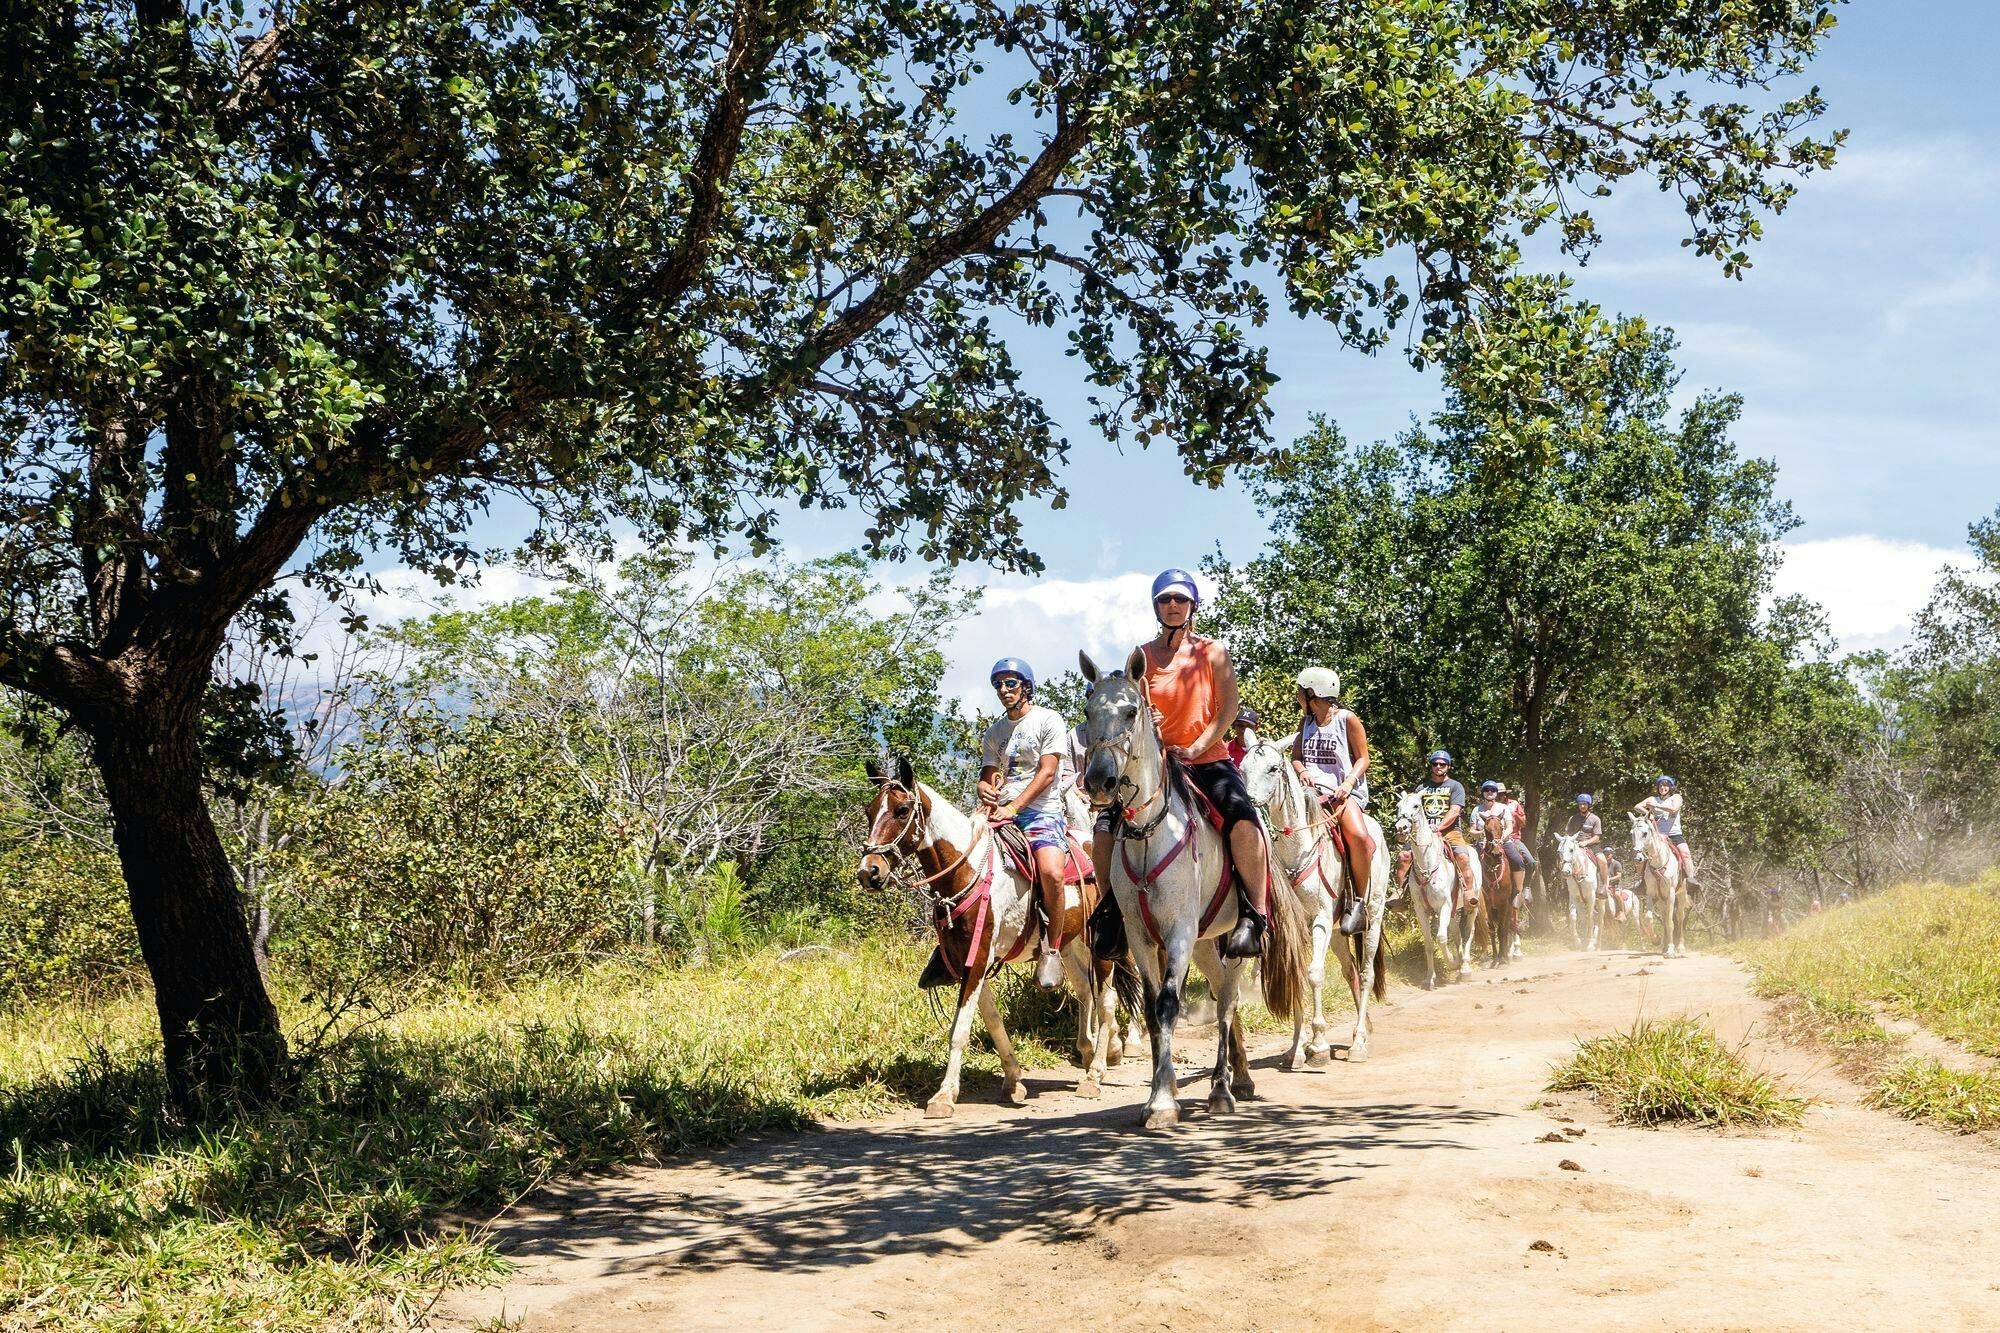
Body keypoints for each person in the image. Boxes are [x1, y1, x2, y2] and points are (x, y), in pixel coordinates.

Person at [1120, 568, 1272, 958]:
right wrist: (1148, 723)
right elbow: (1133, 711)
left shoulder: (1212, 651)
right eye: (1165, 600)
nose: (1172, 606)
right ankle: (1111, 913)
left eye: (1180, 600)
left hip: (1207, 759)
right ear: (1156, 607)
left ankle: (1255, 913)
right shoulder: (1141, 656)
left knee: (1242, 819)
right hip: (1156, 764)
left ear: (1192, 605)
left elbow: (1228, 709)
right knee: (1107, 824)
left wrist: (1199, 744)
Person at [978, 658, 1073, 990]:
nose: (1004, 690)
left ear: (1026, 686)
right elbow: (987, 774)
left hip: (1040, 812)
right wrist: (985, 790)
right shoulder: (995, 732)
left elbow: (1048, 772)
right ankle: (953, 945)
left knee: (1051, 872)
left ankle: (1053, 949)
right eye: (999, 685)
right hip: (999, 810)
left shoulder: (1048, 720)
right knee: (956, 856)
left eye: (1011, 684)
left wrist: (1015, 808)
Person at [1291, 666, 1375, 935]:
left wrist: (1348, 783)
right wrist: (1302, 772)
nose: (1297, 697)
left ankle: (1359, 903)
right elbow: (1296, 756)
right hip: (1309, 795)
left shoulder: (1347, 720)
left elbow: (1364, 758)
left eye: (1301, 692)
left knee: (1360, 838)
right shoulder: (1306, 723)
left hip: (1341, 794)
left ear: (1313, 693)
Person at [1397, 750, 1478, 902]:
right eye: (1435, 764)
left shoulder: (1455, 786)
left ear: (1448, 766)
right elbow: (1414, 809)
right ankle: (1401, 893)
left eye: (1442, 764)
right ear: (1431, 766)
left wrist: (1439, 826)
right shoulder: (1422, 788)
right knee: (1404, 856)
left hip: (1450, 831)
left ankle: (1469, 891)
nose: (1439, 766)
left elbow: (1455, 811)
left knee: (1463, 857)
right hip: (1423, 833)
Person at [1632, 775, 1697, 885]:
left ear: (1670, 788)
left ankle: (1691, 880)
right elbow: (1637, 806)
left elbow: (1674, 809)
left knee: (1685, 853)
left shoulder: (1676, 797)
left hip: (1675, 834)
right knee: (1641, 854)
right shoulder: (1652, 799)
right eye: (1661, 785)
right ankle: (1641, 880)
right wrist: (1648, 814)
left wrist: (1656, 806)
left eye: (1666, 786)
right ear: (1658, 787)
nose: (1663, 788)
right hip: (1658, 836)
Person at [1494, 779, 1540, 882]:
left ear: (1505, 794)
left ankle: (1526, 886)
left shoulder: (1514, 804)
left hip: (1513, 838)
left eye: (1502, 794)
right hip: (1494, 839)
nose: (1499, 797)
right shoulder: (1491, 806)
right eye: (1497, 794)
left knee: (1531, 862)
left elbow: (1523, 823)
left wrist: (1515, 814)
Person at [1564, 793, 1610, 893]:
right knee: (1563, 859)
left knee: (1603, 861)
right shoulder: (1573, 819)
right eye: (1580, 804)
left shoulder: (1595, 819)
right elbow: (1568, 834)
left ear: (1589, 805)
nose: (1582, 806)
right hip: (1575, 845)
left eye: (1584, 804)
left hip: (1592, 845)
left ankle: (1605, 886)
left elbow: (1597, 836)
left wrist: (1586, 842)